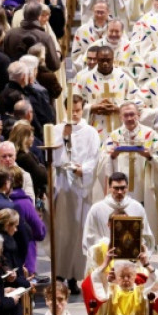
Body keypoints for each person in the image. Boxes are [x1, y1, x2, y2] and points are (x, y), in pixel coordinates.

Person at [96, 101, 158, 243]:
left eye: (132, 114)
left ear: (138, 115)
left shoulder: (150, 135)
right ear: (120, 117)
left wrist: (149, 156)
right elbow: (102, 162)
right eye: (125, 115)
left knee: (142, 234)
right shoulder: (114, 136)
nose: (129, 118)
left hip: (144, 190)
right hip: (121, 191)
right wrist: (112, 157)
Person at [52, 95, 101, 294]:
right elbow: (54, 158)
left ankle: (74, 276)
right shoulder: (57, 130)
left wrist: (84, 169)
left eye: (78, 110)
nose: (74, 114)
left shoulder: (90, 132)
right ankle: (60, 273)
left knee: (80, 231)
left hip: (82, 187)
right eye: (71, 110)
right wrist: (63, 138)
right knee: (63, 231)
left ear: (82, 110)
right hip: (63, 186)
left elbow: (95, 156)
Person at [91, 246, 158, 315]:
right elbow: (95, 279)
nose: (125, 279)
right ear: (116, 276)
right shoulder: (110, 293)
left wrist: (147, 265)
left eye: (129, 276)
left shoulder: (142, 294)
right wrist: (105, 264)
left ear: (135, 275)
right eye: (121, 275)